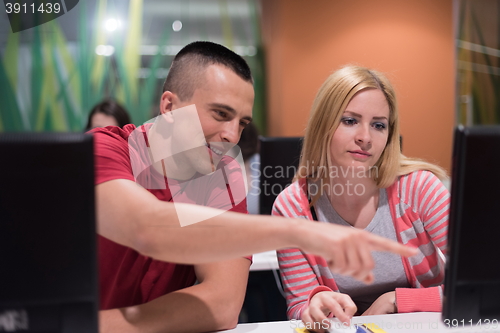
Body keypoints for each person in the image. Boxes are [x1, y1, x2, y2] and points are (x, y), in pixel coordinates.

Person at [91, 43, 417, 333]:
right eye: (220, 114)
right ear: (169, 108)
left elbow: (222, 303)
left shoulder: (219, 174)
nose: (233, 136)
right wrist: (298, 232)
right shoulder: (104, 149)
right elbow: (146, 228)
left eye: (242, 122)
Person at [273, 65, 450, 331]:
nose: (365, 138)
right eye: (350, 121)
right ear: (323, 125)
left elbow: (482, 284)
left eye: (378, 125)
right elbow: (299, 306)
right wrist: (315, 303)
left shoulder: (418, 188)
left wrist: (395, 300)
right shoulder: (291, 208)